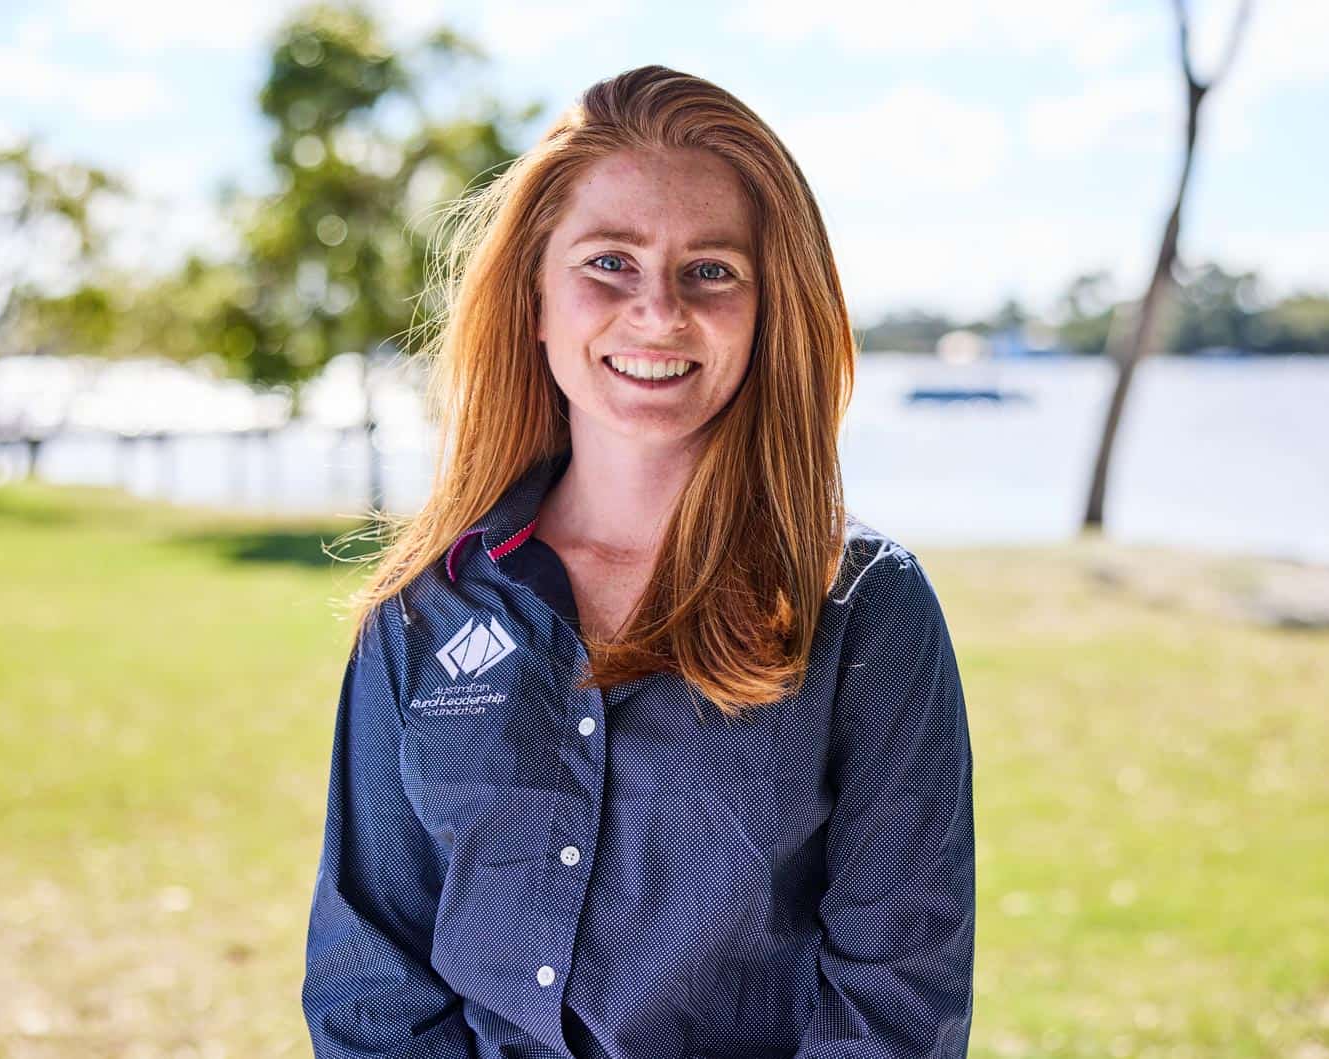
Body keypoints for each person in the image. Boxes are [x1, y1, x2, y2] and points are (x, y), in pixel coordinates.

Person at [301, 64, 976, 1059]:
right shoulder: (422, 615)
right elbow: (372, 986)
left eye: (711, 270)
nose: (658, 312)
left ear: (765, 311)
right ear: (533, 299)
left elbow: (896, 1007)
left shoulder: (868, 612)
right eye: (609, 263)